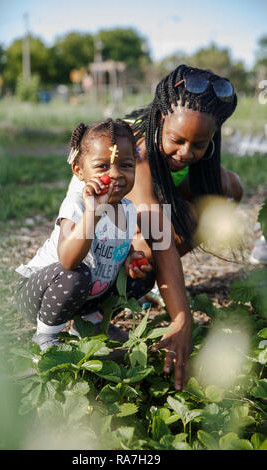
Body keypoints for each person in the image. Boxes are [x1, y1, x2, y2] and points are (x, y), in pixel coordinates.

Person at [67, 64, 243, 391]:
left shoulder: (185, 150)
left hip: (145, 214)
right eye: (177, 140)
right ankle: (101, 307)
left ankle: (165, 285)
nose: (186, 153)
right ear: (161, 118)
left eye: (200, 144)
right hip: (97, 235)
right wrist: (182, 317)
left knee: (228, 189)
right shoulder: (135, 152)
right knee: (152, 247)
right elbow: (158, 234)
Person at [14, 118, 154, 351]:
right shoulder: (77, 205)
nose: (115, 174)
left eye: (126, 165)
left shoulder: (128, 208)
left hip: (84, 296)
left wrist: (131, 258)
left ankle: (89, 326)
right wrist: (94, 212)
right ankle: (46, 336)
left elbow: (119, 244)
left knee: (145, 275)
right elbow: (68, 261)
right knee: (76, 274)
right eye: (102, 167)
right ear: (79, 171)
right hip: (40, 294)